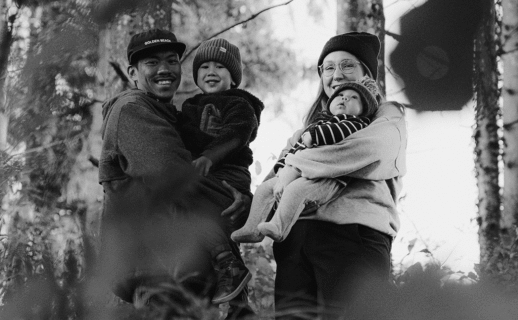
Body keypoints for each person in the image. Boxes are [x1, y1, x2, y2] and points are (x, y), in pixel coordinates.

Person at [94, 29, 252, 315]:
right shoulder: (132, 110)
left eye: (171, 61)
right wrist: (243, 203)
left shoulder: (168, 114)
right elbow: (177, 180)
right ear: (132, 72)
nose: (164, 69)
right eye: (151, 63)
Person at [267, 32, 407, 319]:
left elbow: (368, 150)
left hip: (353, 235)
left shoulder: (385, 115)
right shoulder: (306, 129)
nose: (337, 74)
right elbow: (274, 178)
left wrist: (295, 165)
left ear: (365, 74)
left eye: (347, 66)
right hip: (295, 241)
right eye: (328, 68)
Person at [231, 77, 381, 243]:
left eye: (354, 97)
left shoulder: (355, 124)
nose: (345, 98)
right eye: (341, 95)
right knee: (264, 189)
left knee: (295, 190)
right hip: (296, 170)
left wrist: (314, 136)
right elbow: (294, 151)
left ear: (364, 110)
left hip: (324, 178)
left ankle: (278, 227)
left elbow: (335, 132)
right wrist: (281, 169)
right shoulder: (317, 124)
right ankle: (252, 228)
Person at [175, 37, 263, 302]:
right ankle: (238, 302)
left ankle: (228, 263)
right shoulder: (189, 107)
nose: (211, 71)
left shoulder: (239, 103)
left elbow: (237, 133)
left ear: (233, 78)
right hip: (202, 175)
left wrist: (208, 158)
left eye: (220, 67)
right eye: (204, 67)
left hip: (228, 175)